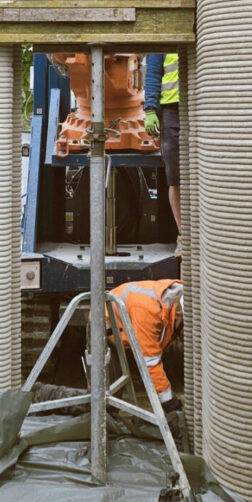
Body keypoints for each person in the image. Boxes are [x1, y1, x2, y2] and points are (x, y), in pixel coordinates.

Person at [108, 279, 183, 410]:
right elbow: (150, 361)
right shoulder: (149, 311)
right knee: (109, 396)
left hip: (132, 320)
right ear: (178, 315)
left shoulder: (179, 298)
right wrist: (169, 402)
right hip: (107, 329)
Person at [144, 52, 181, 243]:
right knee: (175, 177)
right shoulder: (161, 34)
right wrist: (150, 109)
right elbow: (153, 73)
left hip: (201, 103)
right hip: (171, 108)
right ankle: (184, 235)